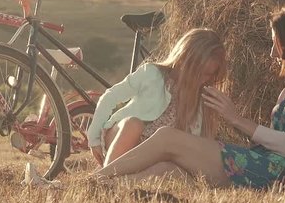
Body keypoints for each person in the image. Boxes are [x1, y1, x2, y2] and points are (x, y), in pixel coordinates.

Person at [92, 4, 285, 191]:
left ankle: (94, 179)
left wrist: (235, 119)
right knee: (169, 171)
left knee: (166, 139)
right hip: (260, 163)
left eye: (277, 43)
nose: (273, 53)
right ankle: (106, 185)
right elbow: (271, 141)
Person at [87, 28, 228, 167]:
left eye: (209, 75)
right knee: (133, 124)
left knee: (168, 164)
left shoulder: (201, 99)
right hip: (122, 139)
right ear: (184, 59)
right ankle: (104, 177)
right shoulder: (151, 73)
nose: (203, 79)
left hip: (153, 155)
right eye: (199, 72)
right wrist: (94, 139)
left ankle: (120, 179)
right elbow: (110, 97)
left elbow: (197, 143)